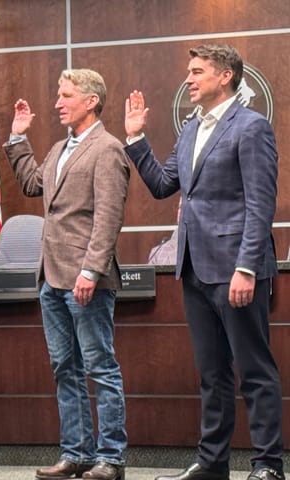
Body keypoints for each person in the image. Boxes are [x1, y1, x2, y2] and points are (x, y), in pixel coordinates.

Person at [124, 43, 284, 480]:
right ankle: (213, 465)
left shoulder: (251, 127)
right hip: (194, 268)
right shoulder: (192, 129)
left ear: (225, 75)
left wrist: (247, 267)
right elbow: (163, 185)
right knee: (212, 373)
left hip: (237, 269)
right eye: (189, 71)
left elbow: (260, 204)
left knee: (254, 370)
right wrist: (137, 137)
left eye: (197, 72)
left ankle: (268, 465)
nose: (189, 79)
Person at [4, 69, 129, 480]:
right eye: (58, 94)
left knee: (100, 367)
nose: (57, 102)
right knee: (65, 369)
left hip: (85, 279)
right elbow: (33, 184)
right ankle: (76, 454)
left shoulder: (107, 148)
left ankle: (110, 458)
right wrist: (19, 137)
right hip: (51, 278)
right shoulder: (60, 148)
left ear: (91, 100)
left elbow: (108, 217)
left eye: (66, 95)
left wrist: (91, 270)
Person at [147, 198, 181, 265]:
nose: (182, 212)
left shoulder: (207, 250)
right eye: (180, 207)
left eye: (188, 208)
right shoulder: (158, 253)